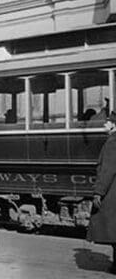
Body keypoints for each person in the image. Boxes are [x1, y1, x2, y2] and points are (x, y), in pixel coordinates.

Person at [88, 111, 116, 274]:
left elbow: (107, 170)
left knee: (112, 229)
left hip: (112, 192)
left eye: (108, 122)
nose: (104, 124)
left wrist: (98, 192)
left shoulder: (113, 141)